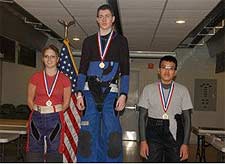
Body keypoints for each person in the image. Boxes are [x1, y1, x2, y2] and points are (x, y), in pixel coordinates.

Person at [76, 4, 130, 162]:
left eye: (107, 16)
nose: (104, 19)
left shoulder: (121, 41)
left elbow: (125, 71)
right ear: (97, 20)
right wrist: (79, 93)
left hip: (111, 94)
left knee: (112, 135)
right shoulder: (89, 41)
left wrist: (124, 94)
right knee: (87, 135)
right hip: (89, 93)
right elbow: (82, 70)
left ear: (113, 19)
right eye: (101, 16)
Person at [138, 55, 192, 162]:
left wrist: (185, 144)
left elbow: (187, 119)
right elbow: (142, 117)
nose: (167, 72)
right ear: (158, 70)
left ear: (175, 72)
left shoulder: (183, 90)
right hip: (153, 131)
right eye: (164, 67)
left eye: (171, 68)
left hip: (176, 131)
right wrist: (143, 141)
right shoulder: (148, 89)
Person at [26, 45, 71, 162]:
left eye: (52, 56)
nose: (49, 59)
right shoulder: (35, 77)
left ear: (58, 59)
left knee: (54, 152)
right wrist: (38, 111)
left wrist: (55, 112)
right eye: (46, 56)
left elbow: (66, 103)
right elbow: (30, 100)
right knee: (34, 151)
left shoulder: (64, 79)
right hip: (37, 118)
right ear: (42, 59)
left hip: (55, 118)